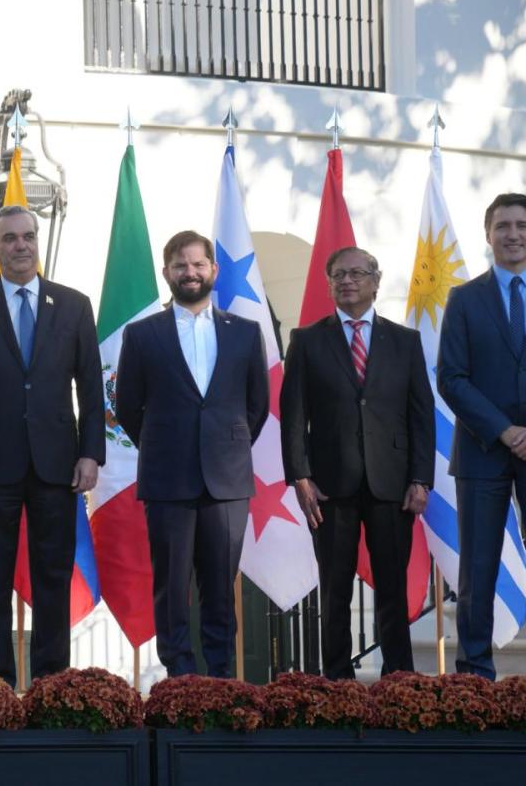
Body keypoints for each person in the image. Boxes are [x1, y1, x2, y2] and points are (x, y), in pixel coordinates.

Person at [0, 204, 103, 686]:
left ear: (38, 240)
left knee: (53, 580)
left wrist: (91, 452)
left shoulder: (74, 306)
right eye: (9, 238)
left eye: (28, 236)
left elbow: (91, 389)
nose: (21, 245)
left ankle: (52, 684)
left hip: (58, 465)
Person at [115, 230, 268, 678]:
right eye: (180, 265)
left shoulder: (244, 332)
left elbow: (256, 404)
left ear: (213, 271)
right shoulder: (142, 335)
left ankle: (220, 678)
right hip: (168, 479)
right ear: (167, 272)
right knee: (171, 587)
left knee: (220, 587)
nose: (190, 272)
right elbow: (127, 405)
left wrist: (225, 447)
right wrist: (166, 446)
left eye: (199, 264)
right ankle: (179, 676)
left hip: (227, 481)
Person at [280, 246, 433, 679]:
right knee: (334, 588)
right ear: (329, 284)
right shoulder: (307, 340)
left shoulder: (405, 341)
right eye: (339, 275)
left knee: (392, 588)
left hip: (393, 484)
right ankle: (337, 683)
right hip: (329, 484)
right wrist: (300, 476)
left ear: (375, 280)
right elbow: (293, 416)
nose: (348, 281)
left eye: (357, 273)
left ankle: (398, 679)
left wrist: (421, 478)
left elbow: (421, 413)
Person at [438, 192, 526, 679]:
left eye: (521, 224)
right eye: (503, 226)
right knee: (477, 572)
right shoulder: (465, 299)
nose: (513, 234)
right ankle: (475, 676)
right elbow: (451, 376)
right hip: (482, 451)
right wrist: (506, 431)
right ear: (488, 234)